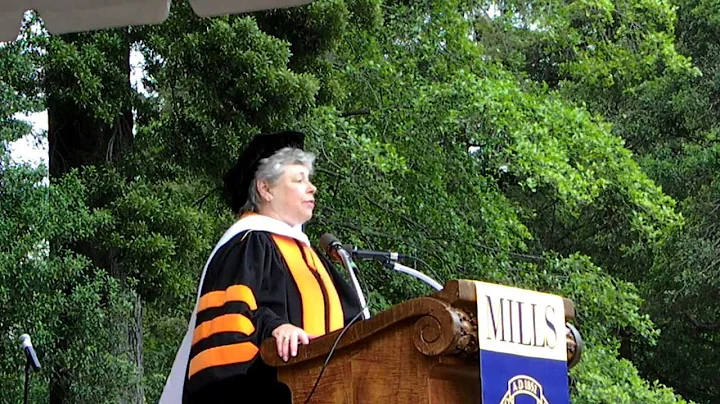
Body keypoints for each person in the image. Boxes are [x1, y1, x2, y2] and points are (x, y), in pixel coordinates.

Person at [159, 131, 363, 403]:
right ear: (265, 188)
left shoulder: (313, 256)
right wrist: (275, 328)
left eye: (309, 180)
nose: (312, 187)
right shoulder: (248, 243)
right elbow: (231, 324)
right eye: (299, 179)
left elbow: (356, 329)